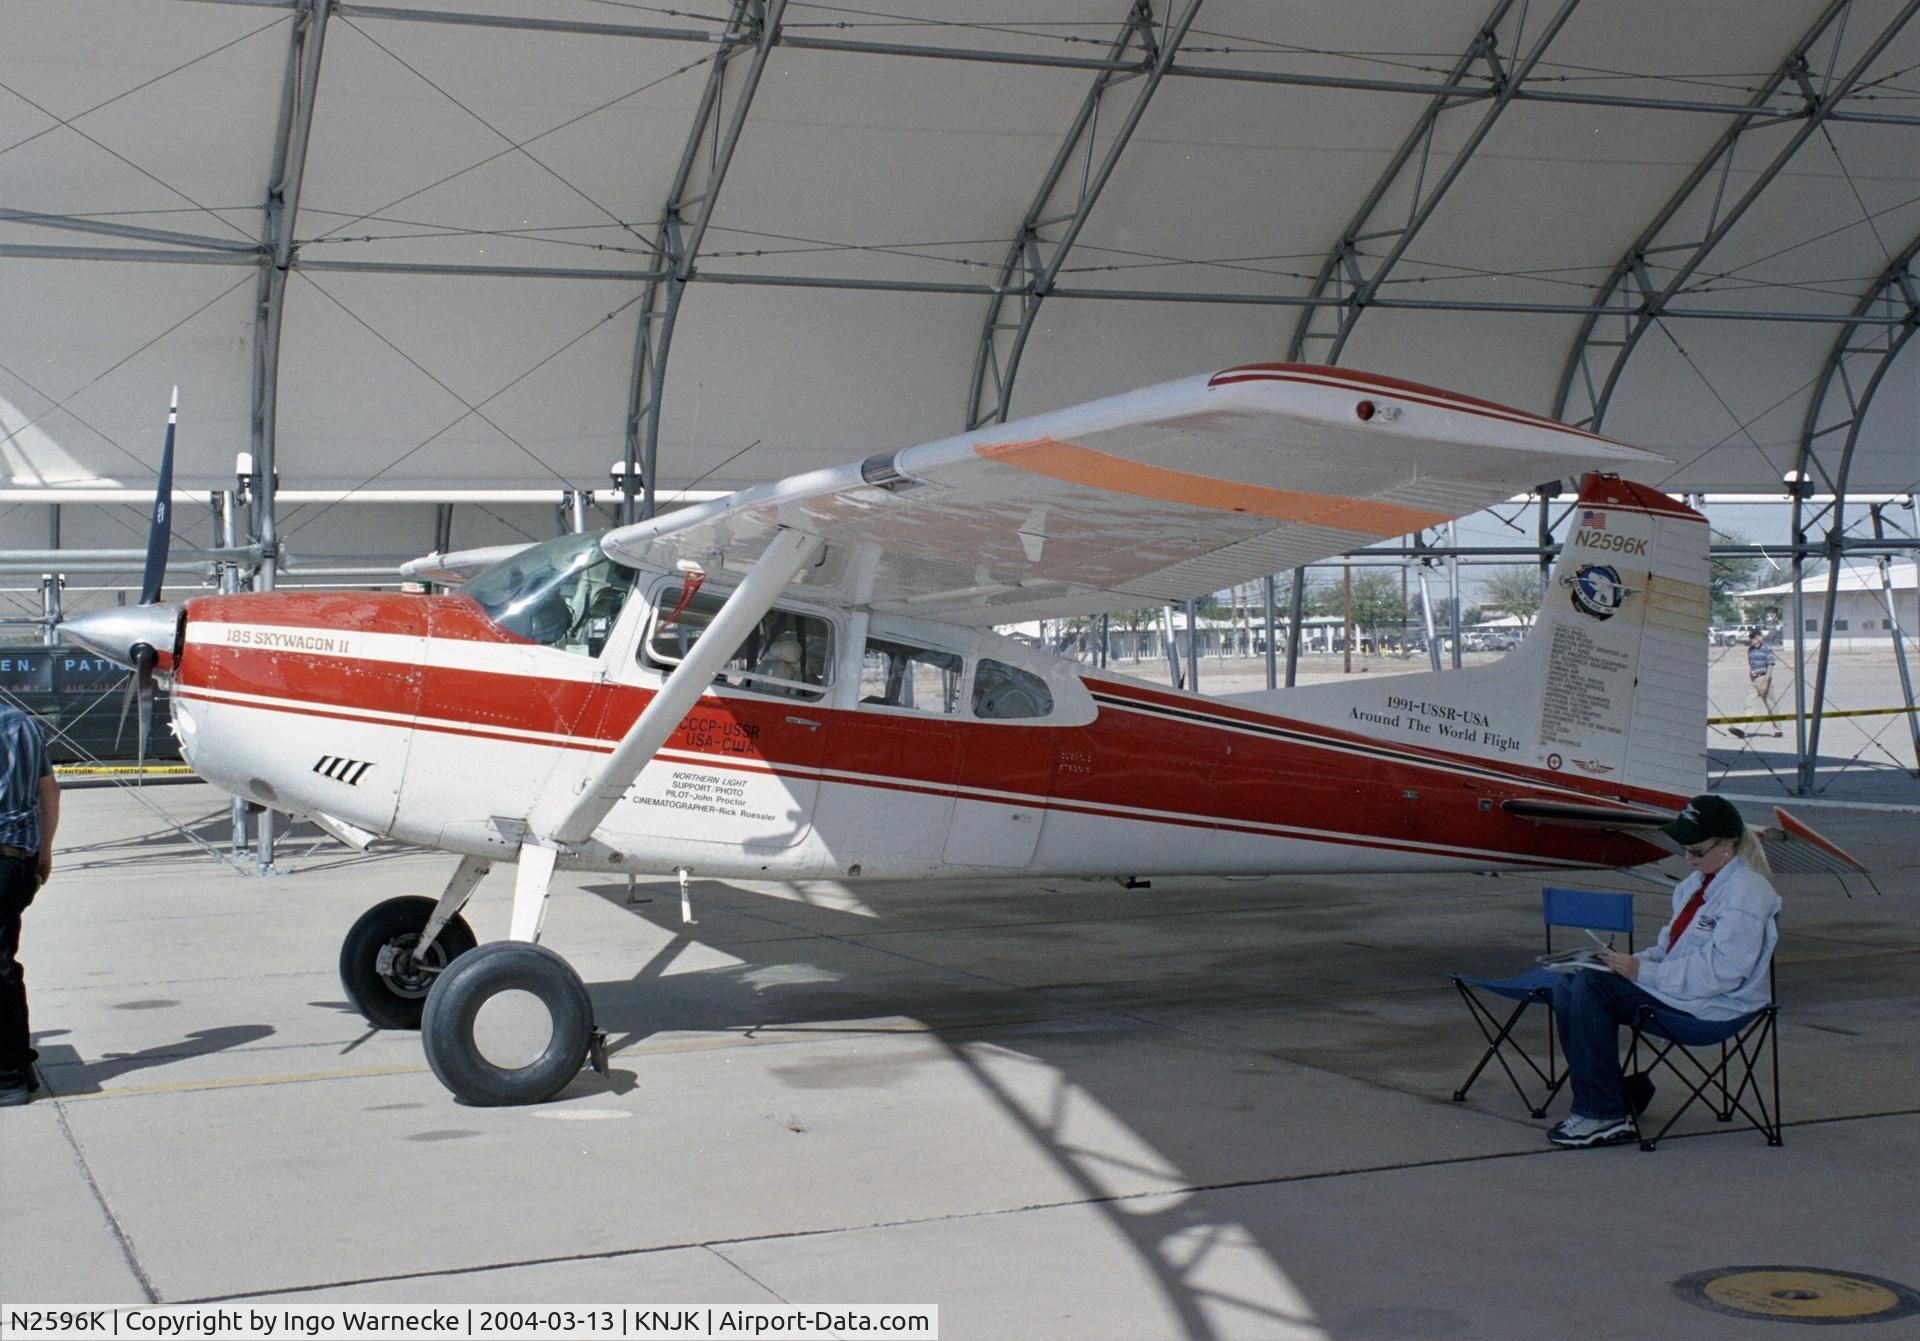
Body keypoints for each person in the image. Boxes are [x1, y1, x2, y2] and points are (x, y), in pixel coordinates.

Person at [1545, 794, 1779, 1148]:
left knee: (1593, 988)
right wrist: (1622, 961)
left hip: (1716, 1004)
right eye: (1683, 848)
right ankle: (1605, 1097)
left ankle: (1602, 1114)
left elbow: (1725, 972)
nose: (1687, 858)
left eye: (1696, 851)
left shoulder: (1746, 892)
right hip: (1681, 990)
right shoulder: (1694, 885)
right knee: (1571, 982)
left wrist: (1641, 972)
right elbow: (1670, 950)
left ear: (1728, 845)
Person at [1, 701, 58, 1107]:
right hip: (17, 858)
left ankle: (9, 1077)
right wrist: (44, 851)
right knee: (3, 964)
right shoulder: (23, 722)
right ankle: (17, 1069)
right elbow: (48, 790)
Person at [1747, 630, 1782, 736]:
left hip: (1764, 678)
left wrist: (1766, 682)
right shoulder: (1750, 650)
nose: (1752, 639)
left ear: (1760, 637)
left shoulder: (1766, 649)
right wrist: (1751, 675)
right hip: (1755, 680)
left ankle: (1778, 730)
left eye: (1754, 637)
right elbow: (1750, 664)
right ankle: (1742, 728)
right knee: (1749, 704)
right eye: (1751, 637)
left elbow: (1770, 666)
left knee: (1771, 705)